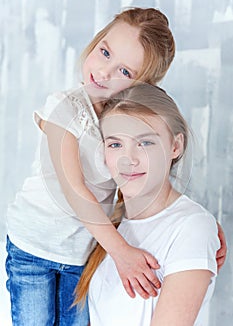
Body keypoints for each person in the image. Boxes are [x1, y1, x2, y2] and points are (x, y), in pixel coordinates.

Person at [5, 7, 226, 326]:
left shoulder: (121, 120)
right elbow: (74, 190)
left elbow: (141, 175)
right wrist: (122, 253)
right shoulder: (65, 108)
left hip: (77, 254)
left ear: (142, 86)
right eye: (104, 52)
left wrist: (201, 226)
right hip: (34, 246)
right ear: (95, 42)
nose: (104, 71)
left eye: (125, 72)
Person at [74, 83, 221, 326]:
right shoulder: (111, 230)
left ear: (175, 146)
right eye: (115, 144)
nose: (128, 159)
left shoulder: (192, 227)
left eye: (145, 142)